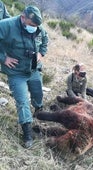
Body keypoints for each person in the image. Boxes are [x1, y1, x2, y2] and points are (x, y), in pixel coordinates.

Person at [0, 6, 48, 148]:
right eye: (32, 25)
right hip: (16, 73)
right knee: (22, 102)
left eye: (36, 26)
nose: (35, 28)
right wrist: (3, 58)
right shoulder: (6, 25)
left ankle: (38, 110)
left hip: (33, 70)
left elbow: (45, 40)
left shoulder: (38, 28)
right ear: (23, 18)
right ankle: (27, 132)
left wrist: (41, 54)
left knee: (38, 95)